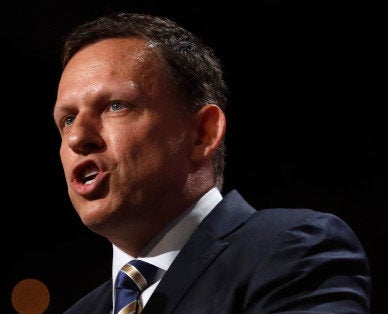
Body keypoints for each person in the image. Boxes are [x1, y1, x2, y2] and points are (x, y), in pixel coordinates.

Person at [52, 12, 372, 313]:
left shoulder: (292, 252)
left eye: (115, 106)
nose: (77, 137)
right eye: (67, 119)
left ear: (202, 133)